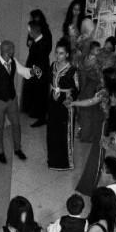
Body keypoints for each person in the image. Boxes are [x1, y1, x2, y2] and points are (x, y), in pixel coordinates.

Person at [0, 40, 35, 164]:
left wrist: (32, 72)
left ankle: (18, 149)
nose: (14, 51)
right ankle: (0, 151)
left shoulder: (13, 61)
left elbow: (23, 71)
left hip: (12, 99)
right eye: (12, 49)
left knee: (16, 124)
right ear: (7, 51)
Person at [46, 40, 78, 171]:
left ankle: (64, 162)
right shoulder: (53, 65)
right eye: (56, 53)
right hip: (53, 101)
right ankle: (53, 159)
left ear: (67, 55)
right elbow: (49, 80)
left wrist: (70, 97)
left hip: (65, 103)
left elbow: (77, 88)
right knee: (52, 130)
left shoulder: (72, 70)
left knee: (64, 132)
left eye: (61, 53)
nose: (58, 56)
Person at [24, 14, 53, 126]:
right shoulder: (40, 41)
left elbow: (38, 63)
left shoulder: (38, 46)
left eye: (29, 31)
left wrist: (35, 74)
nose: (28, 33)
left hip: (39, 75)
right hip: (40, 73)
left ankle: (41, 117)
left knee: (40, 95)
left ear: (33, 32)